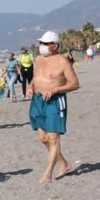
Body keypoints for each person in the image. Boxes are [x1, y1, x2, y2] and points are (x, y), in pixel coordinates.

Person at [26, 32, 80, 184]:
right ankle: (63, 163)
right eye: (41, 42)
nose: (41, 46)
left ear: (54, 46)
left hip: (55, 100)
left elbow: (74, 84)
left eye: (45, 43)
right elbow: (35, 78)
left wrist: (55, 90)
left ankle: (48, 174)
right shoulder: (38, 59)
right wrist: (30, 87)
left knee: (53, 138)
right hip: (38, 100)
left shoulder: (63, 62)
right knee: (43, 138)